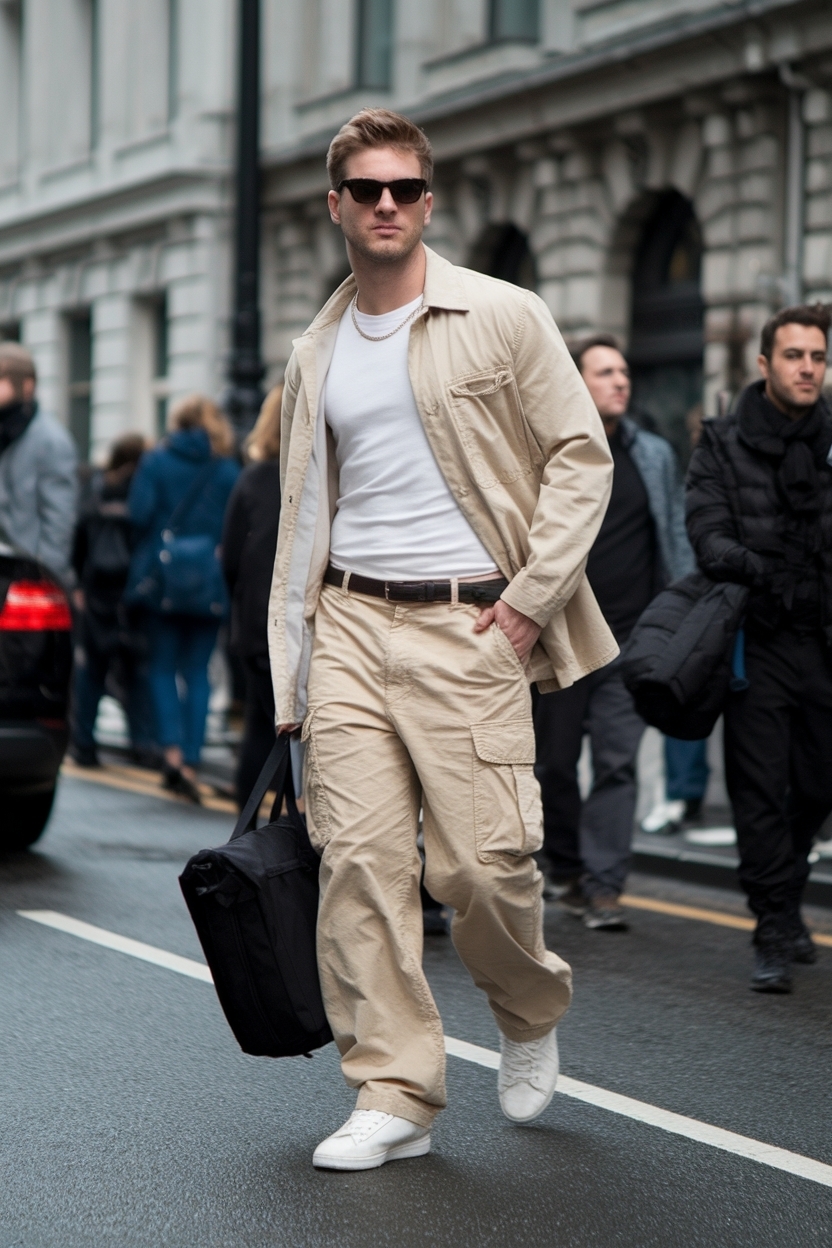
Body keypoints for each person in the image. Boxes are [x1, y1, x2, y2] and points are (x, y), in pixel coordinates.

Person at [268, 108, 617, 1170]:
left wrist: (528, 602)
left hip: (469, 625)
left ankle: (527, 1007)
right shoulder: (314, 350)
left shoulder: (502, 315)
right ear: (335, 205)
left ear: (428, 201)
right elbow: (300, 518)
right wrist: (292, 669)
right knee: (359, 867)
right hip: (348, 621)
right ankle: (395, 1091)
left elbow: (580, 456)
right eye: (366, 190)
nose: (387, 206)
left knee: (481, 866)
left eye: (405, 190)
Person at [686, 304, 832, 994]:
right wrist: (758, 566)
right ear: (766, 363)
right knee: (759, 789)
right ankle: (773, 923)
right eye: (795, 356)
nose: (808, 368)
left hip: (823, 641)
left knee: (820, 784)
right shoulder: (722, 440)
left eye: (818, 357)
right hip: (758, 638)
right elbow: (705, 533)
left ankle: (788, 886)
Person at [533, 336, 694, 929]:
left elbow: (672, 536)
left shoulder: (652, 453)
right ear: (577, 381)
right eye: (604, 372)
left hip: (630, 639)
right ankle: (568, 866)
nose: (620, 381)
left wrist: (676, 619)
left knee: (617, 763)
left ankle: (604, 887)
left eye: (623, 371)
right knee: (553, 764)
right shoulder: (549, 451)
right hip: (561, 638)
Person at [127, 396, 239, 803]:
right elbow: (235, 528)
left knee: (161, 668)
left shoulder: (156, 461)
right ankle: (191, 760)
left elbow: (138, 515)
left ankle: (171, 755)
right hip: (209, 582)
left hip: (163, 581)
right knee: (198, 671)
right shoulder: (226, 469)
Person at [69, 433, 157, 768]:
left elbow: (79, 535)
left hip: (96, 588)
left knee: (93, 670)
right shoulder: (143, 489)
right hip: (132, 588)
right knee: (136, 670)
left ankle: (84, 743)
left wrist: (79, 582)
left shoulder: (96, 487)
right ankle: (143, 744)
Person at [222, 384, 282, 808]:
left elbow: (230, 559)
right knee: (294, 734)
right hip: (305, 626)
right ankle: (295, 830)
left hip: (256, 625)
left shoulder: (252, 479)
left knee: (261, 728)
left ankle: (245, 830)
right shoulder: (322, 477)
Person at [0, 342, 77, 581]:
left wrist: (46, 576)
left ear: (27, 385)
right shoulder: (6, 430)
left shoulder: (51, 440)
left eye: (1, 379)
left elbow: (59, 519)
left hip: (27, 575)